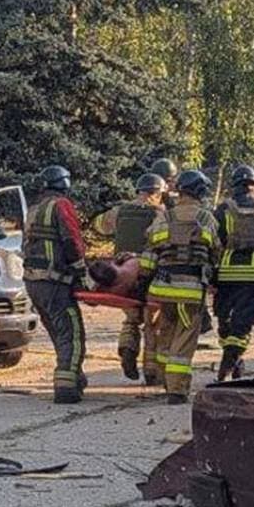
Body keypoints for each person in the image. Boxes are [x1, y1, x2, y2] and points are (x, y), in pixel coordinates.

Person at [146, 168, 221, 404]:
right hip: (190, 289)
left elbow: (151, 245)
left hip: (164, 288)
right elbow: (215, 249)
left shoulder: (165, 217)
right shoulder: (206, 217)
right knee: (186, 336)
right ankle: (177, 390)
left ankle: (164, 378)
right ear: (200, 191)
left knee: (167, 330)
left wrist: (143, 278)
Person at [22, 165, 88, 404]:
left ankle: (75, 378)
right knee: (72, 334)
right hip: (55, 282)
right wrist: (82, 272)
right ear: (65, 184)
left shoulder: (34, 209)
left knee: (58, 333)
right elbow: (72, 241)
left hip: (34, 283)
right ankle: (66, 387)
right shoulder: (61, 205)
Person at [94, 173, 166, 383]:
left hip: (121, 276)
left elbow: (100, 226)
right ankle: (152, 372)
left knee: (131, 318)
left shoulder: (120, 211)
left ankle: (127, 349)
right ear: (157, 194)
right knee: (152, 323)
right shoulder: (160, 213)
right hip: (148, 274)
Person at [212, 164, 254, 380]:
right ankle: (232, 360)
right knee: (244, 322)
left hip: (226, 273)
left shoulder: (223, 209)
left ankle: (230, 359)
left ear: (234, 186)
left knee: (225, 319)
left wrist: (213, 273)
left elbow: (215, 243)